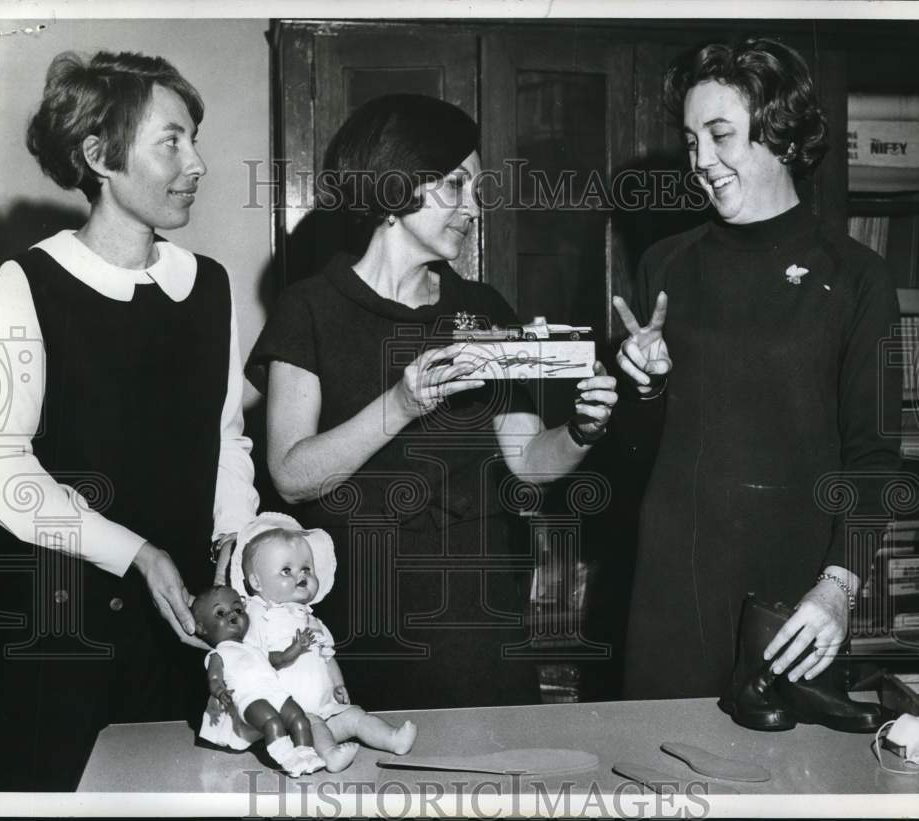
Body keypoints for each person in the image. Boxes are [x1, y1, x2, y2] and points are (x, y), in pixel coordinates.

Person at [246, 93, 666, 710]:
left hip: (480, 609)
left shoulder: (483, 309)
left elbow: (527, 461)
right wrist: (400, 403)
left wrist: (581, 430)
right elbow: (291, 476)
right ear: (394, 187)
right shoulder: (309, 308)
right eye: (454, 185)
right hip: (360, 610)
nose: (473, 206)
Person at [0, 50, 259, 790]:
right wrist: (134, 552)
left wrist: (236, 534)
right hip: (61, 634)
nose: (196, 161)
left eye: (194, 137)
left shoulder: (209, 286)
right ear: (98, 156)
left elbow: (227, 437)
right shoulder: (25, 284)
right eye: (171, 141)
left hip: (184, 628)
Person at [619, 37, 901, 701]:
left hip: (795, 606)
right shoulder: (664, 265)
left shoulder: (858, 277)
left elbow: (874, 456)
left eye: (720, 135)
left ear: (779, 134)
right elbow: (632, 453)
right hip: (673, 598)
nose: (701, 162)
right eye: (690, 141)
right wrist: (643, 385)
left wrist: (839, 586)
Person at [225, 512, 417, 772]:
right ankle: (328, 755)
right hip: (290, 719)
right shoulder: (258, 616)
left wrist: (338, 683)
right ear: (256, 581)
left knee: (353, 716)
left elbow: (327, 656)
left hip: (325, 707)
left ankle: (393, 739)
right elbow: (256, 662)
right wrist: (292, 651)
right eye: (286, 570)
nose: (300, 576)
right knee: (312, 722)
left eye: (306, 568)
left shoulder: (312, 619)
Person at [191, 586, 325, 776]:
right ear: (201, 628)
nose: (232, 615)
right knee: (272, 722)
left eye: (238, 609)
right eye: (220, 613)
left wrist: (297, 647)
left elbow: (281, 658)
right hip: (249, 697)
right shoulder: (218, 654)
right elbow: (214, 678)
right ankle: (288, 758)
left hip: (274, 692)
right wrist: (220, 692)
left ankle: (307, 754)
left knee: (299, 717)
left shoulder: (254, 647)